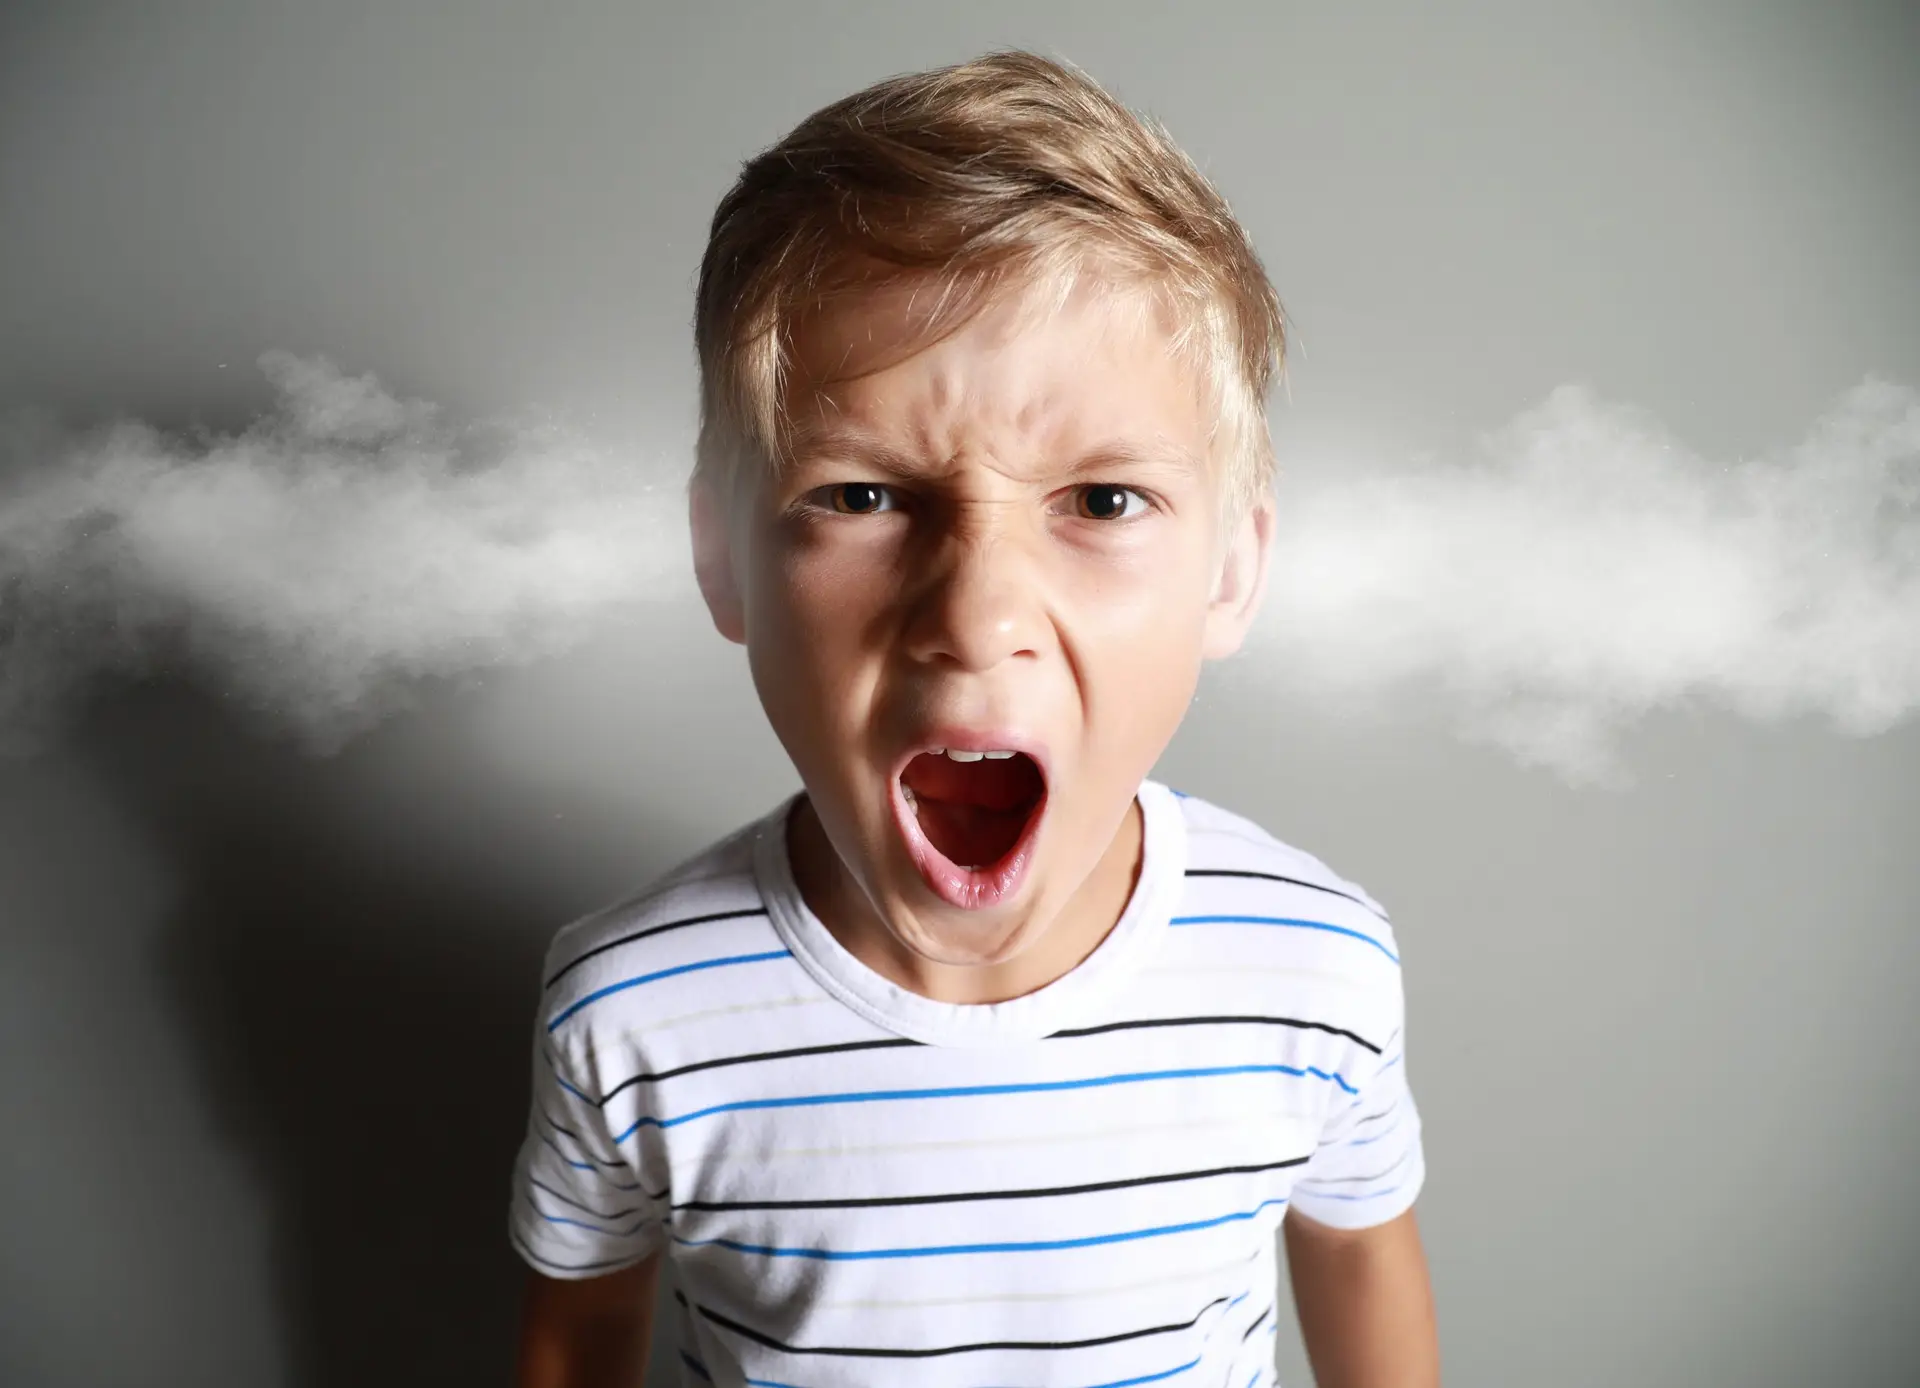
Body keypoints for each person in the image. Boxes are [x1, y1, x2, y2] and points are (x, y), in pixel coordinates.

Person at [509, 48, 1439, 1388]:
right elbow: (575, 1334)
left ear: (1232, 569)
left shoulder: (1315, 968)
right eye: (864, 496)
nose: (975, 612)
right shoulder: (630, 1013)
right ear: (722, 558)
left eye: (1103, 500)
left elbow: (1360, 1262)